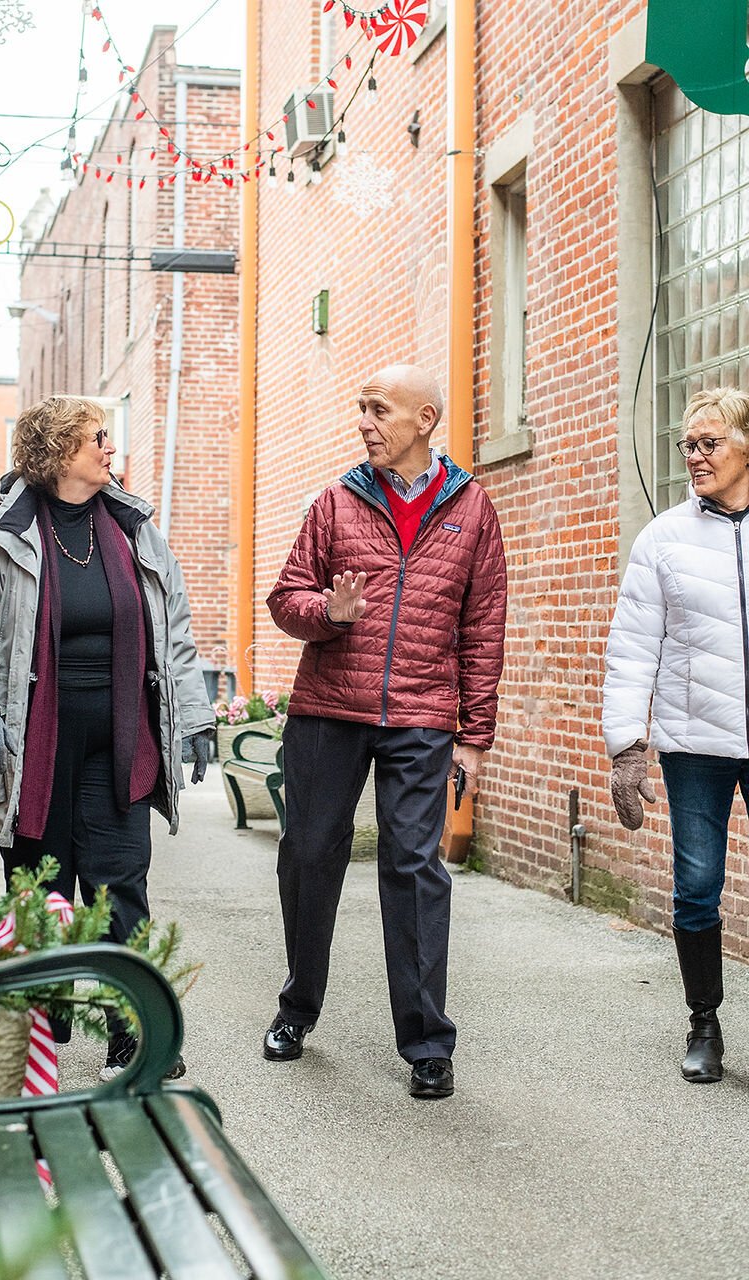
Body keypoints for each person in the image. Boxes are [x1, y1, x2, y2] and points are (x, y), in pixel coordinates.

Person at [0, 395, 215, 1080]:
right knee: (39, 887)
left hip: (121, 738)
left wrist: (196, 715)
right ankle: (42, 1023)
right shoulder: (1, 536)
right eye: (99, 437)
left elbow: (172, 631)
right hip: (34, 744)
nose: (110, 449)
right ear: (59, 451)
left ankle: (134, 1032)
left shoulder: (134, 528)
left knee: (122, 886)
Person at [262, 363, 507, 1099]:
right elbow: (285, 598)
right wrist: (327, 616)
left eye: (380, 409)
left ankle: (428, 1043)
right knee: (309, 855)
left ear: (425, 419)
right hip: (329, 710)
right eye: (361, 408)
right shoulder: (334, 503)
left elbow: (485, 625)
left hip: (422, 716)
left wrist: (474, 734)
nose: (365, 421)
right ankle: (298, 1008)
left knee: (413, 868)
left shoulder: (472, 509)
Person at [603, 386, 749, 1085]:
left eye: (709, 442)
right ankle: (705, 1023)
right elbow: (634, 649)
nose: (694, 455)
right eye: (687, 444)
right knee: (697, 885)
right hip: (696, 742)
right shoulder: (663, 538)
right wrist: (628, 745)